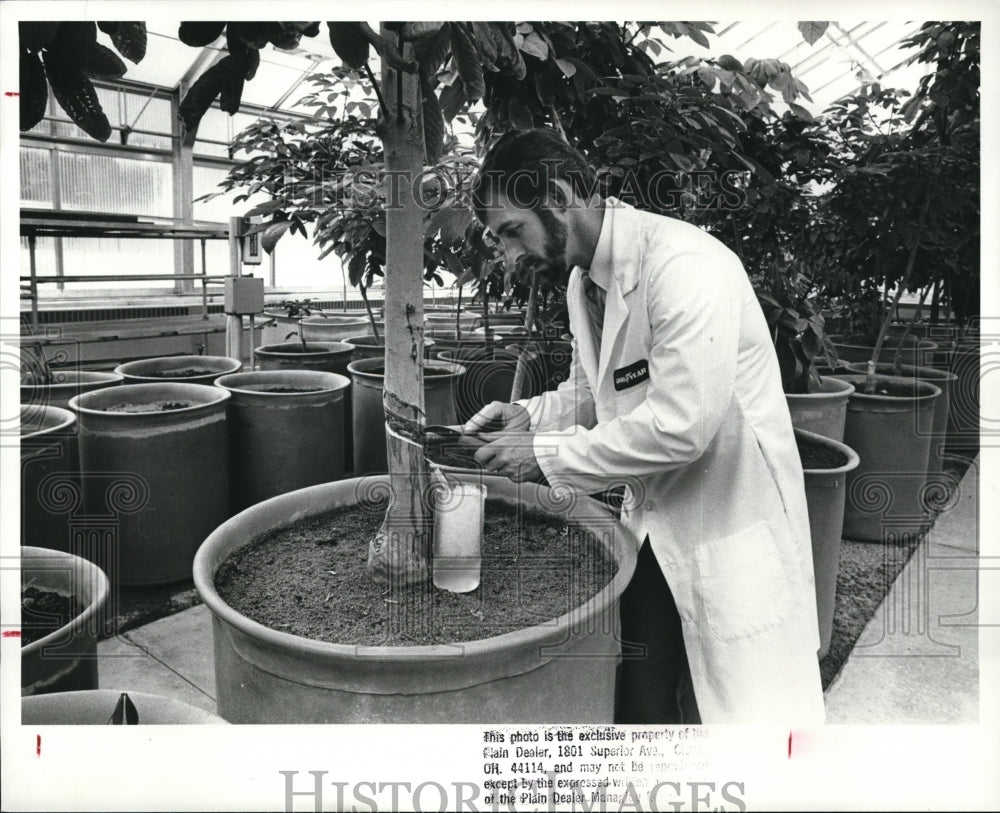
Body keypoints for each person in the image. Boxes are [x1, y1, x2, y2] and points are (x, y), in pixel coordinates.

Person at [465, 128, 825, 725]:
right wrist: (530, 415)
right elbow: (599, 388)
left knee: (753, 725)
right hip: (654, 530)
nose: (508, 256)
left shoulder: (684, 265)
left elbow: (683, 425)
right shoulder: (586, 280)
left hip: (729, 525)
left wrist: (544, 456)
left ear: (557, 196)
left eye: (511, 232)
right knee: (646, 703)